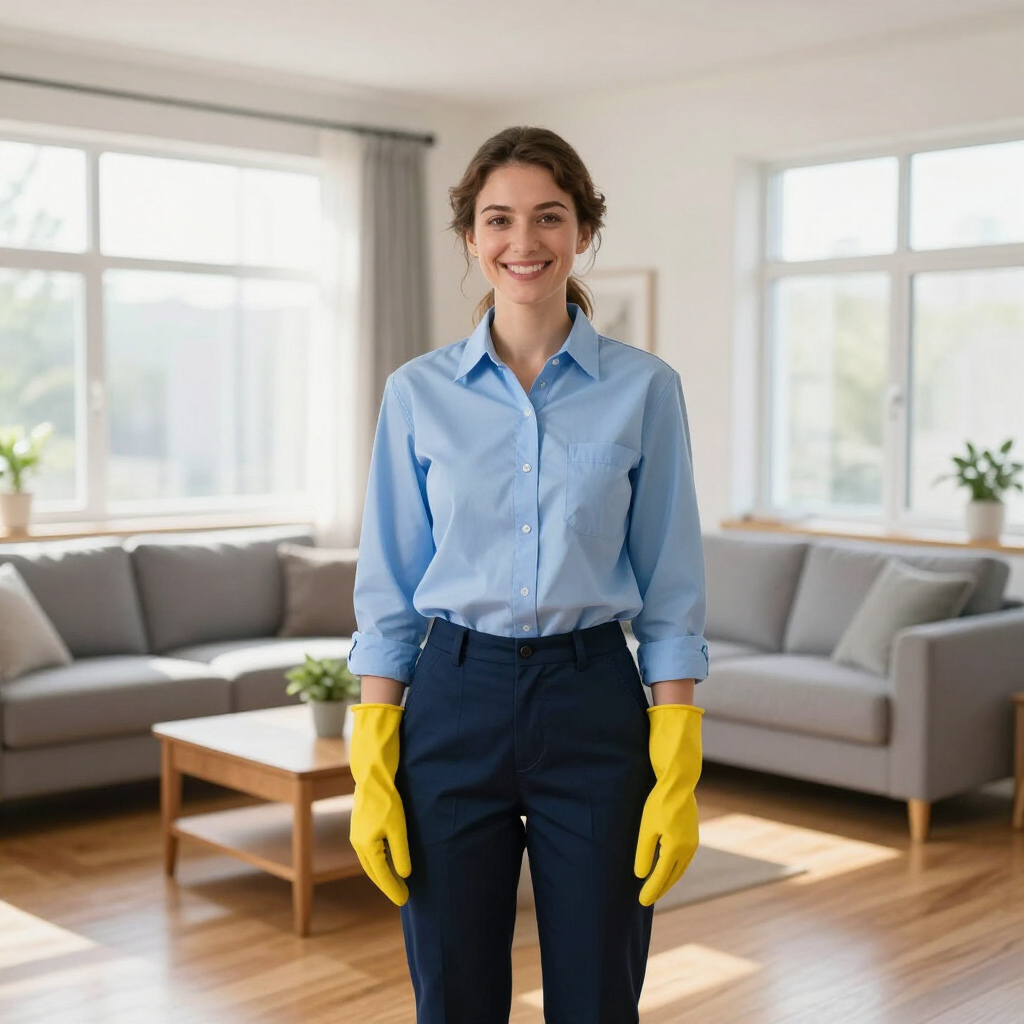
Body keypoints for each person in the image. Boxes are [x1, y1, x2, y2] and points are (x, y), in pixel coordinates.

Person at [346, 125, 709, 1024]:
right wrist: (371, 748)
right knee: (454, 994)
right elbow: (390, 584)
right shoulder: (416, 393)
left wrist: (677, 753)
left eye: (549, 217)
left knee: (594, 995)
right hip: (451, 697)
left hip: (592, 702)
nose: (524, 241)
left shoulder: (645, 390)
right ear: (470, 236)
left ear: (583, 229)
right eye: (499, 219)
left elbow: (671, 586)